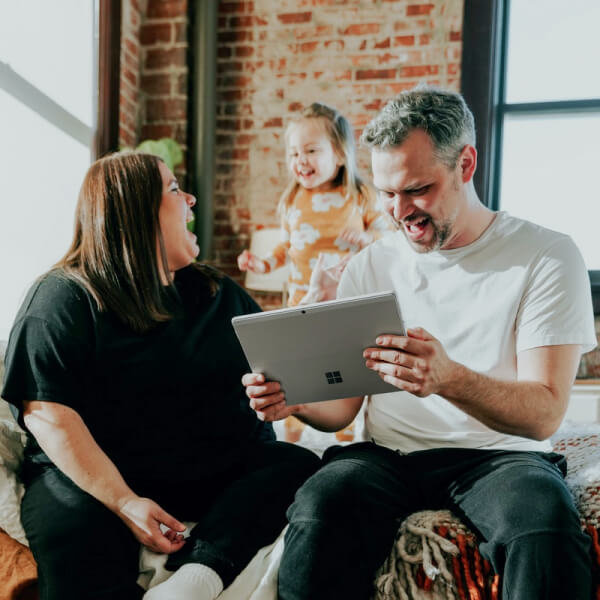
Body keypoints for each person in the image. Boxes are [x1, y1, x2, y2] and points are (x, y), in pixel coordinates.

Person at [243, 86, 597, 599]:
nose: (399, 210)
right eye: (386, 193)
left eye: (417, 189)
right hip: (388, 455)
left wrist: (449, 379)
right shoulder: (371, 265)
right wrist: (294, 399)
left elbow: (543, 414)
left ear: (466, 164)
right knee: (321, 505)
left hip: (501, 455)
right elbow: (343, 409)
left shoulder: (545, 256)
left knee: (542, 525)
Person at [0, 152, 320, 600]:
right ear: (133, 212)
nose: (190, 198)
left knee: (296, 464)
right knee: (72, 519)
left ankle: (196, 577)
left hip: (209, 473)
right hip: (103, 479)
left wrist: (311, 326)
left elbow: (286, 371)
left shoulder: (216, 293)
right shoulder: (63, 296)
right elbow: (46, 411)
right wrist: (125, 502)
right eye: (173, 189)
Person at [237, 102, 391, 307]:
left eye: (311, 151)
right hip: (302, 305)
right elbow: (286, 248)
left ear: (339, 154)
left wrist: (366, 238)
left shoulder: (361, 196)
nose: (301, 160)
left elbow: (389, 241)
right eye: (294, 153)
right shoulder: (292, 200)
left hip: (348, 301)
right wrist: (262, 264)